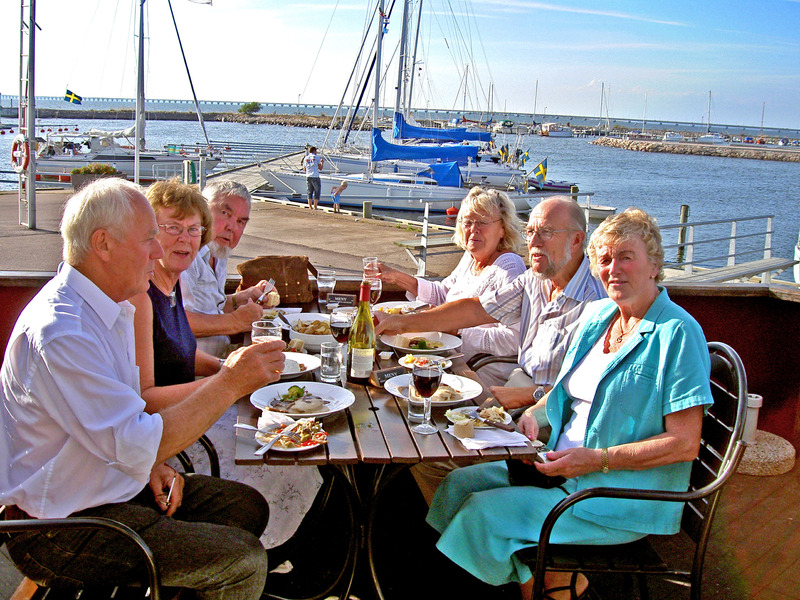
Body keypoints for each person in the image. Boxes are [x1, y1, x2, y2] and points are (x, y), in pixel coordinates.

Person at [0, 178, 286, 599]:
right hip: (59, 526)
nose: (157, 252)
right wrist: (230, 382)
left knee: (247, 507)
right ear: (103, 244)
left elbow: (122, 415)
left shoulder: (108, 306)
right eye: (150, 238)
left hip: (108, 485)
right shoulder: (63, 332)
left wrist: (151, 466)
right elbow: (136, 437)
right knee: (241, 561)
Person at [426, 208, 714, 600]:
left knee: (482, 513)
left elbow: (685, 443)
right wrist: (532, 416)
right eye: (606, 259)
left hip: (614, 494)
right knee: (458, 485)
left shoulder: (678, 333)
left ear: (655, 264)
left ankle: (552, 584)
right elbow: (561, 393)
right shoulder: (598, 317)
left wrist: (595, 460)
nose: (614, 268)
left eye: (626, 256)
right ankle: (556, 585)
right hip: (557, 469)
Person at [131, 179, 321, 549]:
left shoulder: (169, 288)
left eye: (192, 230)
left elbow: (182, 351)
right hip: (174, 440)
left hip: (190, 410)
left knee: (295, 432)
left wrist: (227, 372)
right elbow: (145, 399)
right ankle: (271, 554)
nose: (185, 239)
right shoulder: (141, 295)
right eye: (172, 229)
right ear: (149, 235)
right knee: (291, 456)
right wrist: (230, 382)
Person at [376, 196, 606, 409]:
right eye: (530, 232)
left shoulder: (598, 301)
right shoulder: (535, 280)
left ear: (576, 240)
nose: (533, 242)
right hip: (520, 385)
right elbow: (475, 309)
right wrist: (400, 322)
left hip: (554, 411)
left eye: (546, 232)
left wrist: (529, 396)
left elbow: (594, 389)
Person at [377, 187, 526, 387]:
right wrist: (398, 278)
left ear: (503, 229)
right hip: (443, 354)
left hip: (476, 370)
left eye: (483, 222)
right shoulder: (471, 258)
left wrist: (457, 331)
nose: (474, 229)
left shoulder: (509, 267)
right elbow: (443, 294)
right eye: (468, 222)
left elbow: (513, 339)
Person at [181, 180, 274, 357]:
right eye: (225, 213)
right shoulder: (185, 256)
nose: (231, 227)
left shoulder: (218, 253)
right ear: (202, 210)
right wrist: (235, 322)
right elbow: (177, 322)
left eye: (241, 221)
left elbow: (211, 308)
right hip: (195, 374)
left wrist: (243, 297)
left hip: (222, 357)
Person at [302, 146, 323, 210]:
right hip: (315, 176)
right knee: (317, 191)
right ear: (314, 151)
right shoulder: (316, 157)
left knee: (309, 191)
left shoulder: (306, 158)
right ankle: (315, 206)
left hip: (308, 176)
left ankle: (310, 206)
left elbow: (304, 169)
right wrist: (322, 162)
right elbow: (320, 168)